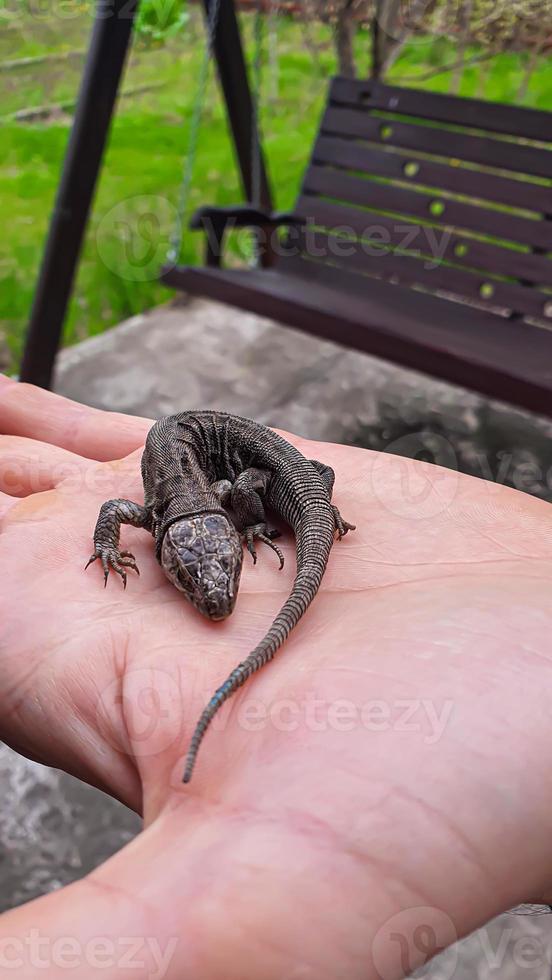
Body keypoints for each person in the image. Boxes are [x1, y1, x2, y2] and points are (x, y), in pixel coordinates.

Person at [0, 371, 551, 980]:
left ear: (230, 537)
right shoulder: (156, 509)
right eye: (191, 581)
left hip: (258, 466)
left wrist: (257, 519)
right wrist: (108, 546)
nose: (217, 600)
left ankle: (302, 511)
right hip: (254, 467)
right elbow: (112, 510)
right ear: (161, 546)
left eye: (227, 570)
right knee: (285, 491)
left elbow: (155, 503)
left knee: (283, 493)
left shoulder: (198, 503)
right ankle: (306, 510)